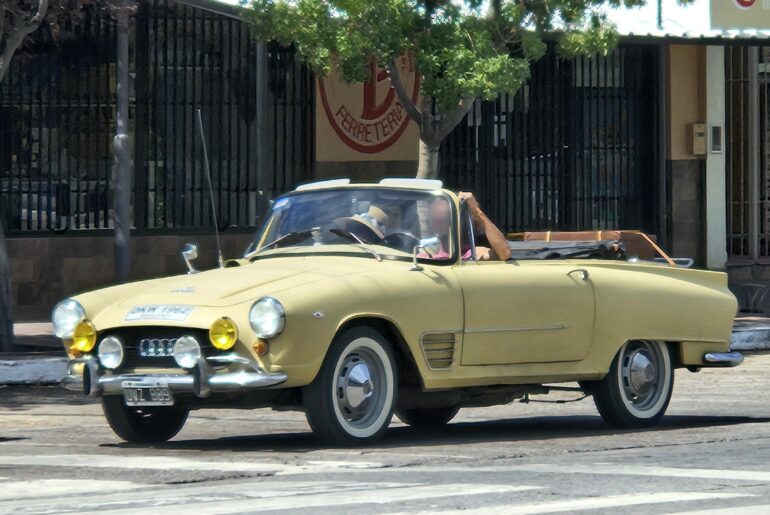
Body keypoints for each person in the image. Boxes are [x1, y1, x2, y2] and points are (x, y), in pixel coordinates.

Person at [424, 192, 511, 261]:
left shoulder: (471, 254)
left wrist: (477, 212)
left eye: (444, 217)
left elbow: (504, 252)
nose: (439, 217)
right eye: (435, 214)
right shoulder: (422, 257)